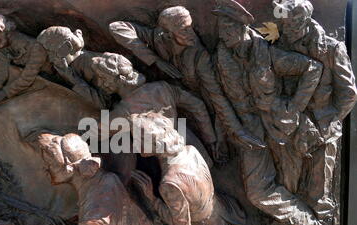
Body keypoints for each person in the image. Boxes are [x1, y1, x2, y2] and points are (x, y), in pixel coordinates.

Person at [213, 0, 329, 225]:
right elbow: (221, 100)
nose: (221, 33)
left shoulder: (267, 51)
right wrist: (236, 131)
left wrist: (294, 108)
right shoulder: (222, 55)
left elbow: (313, 69)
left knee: (285, 188)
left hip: (282, 131)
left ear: (242, 27)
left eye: (227, 28)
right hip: (249, 134)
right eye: (220, 28)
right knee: (258, 192)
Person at [109, 6, 259, 163]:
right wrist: (156, 60)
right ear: (168, 33)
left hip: (200, 104)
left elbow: (216, 96)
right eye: (184, 29)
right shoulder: (157, 38)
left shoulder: (199, 55)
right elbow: (116, 27)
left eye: (190, 26)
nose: (191, 33)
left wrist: (234, 132)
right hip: (165, 103)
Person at [36, 133, 200, 225]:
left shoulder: (90, 220)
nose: (46, 169)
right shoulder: (110, 178)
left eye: (49, 164)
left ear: (68, 170)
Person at [275, 0, 357, 225]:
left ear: (304, 21)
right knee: (284, 189)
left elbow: (349, 94)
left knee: (319, 194)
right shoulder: (280, 45)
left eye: (290, 25)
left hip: (322, 133)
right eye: (283, 25)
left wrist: (327, 125)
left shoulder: (332, 49)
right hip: (292, 130)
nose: (285, 29)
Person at [130, 112, 246, 225]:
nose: (133, 144)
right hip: (227, 216)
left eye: (137, 138)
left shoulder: (169, 184)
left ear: (152, 143)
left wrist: (152, 199)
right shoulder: (191, 151)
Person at [88, 52, 218, 164]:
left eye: (102, 78)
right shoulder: (162, 87)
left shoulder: (124, 111)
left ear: (119, 79)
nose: (99, 83)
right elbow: (197, 105)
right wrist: (211, 139)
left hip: (172, 159)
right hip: (194, 146)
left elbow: (95, 133)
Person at [0, 14, 52, 105]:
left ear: (1, 31)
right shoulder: (4, 49)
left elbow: (27, 78)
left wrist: (4, 93)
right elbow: (2, 74)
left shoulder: (35, 47)